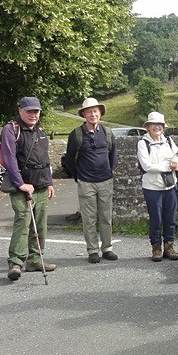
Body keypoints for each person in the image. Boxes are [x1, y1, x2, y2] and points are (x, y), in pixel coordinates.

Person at [0, 96, 56, 281]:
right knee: (23, 220)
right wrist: (21, 184)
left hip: (40, 184)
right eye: (29, 111)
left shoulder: (40, 129)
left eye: (36, 111)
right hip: (21, 186)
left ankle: (34, 260)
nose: (33, 114)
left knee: (40, 224)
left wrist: (49, 182)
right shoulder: (11, 130)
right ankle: (15, 262)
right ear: (20, 110)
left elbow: (44, 158)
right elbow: (10, 159)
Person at [65, 97, 118, 264]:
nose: (93, 114)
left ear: (100, 113)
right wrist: (78, 176)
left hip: (105, 181)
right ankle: (93, 251)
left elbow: (113, 155)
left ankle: (107, 248)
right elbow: (69, 160)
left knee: (106, 217)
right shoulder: (76, 134)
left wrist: (109, 172)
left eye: (95, 111)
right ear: (84, 114)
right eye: (89, 111)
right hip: (86, 182)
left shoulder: (108, 133)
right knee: (89, 218)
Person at [137, 111, 178, 262]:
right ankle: (156, 247)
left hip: (170, 186)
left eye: (159, 125)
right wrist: (169, 166)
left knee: (170, 218)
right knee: (156, 219)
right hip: (152, 188)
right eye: (153, 124)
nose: (156, 127)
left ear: (163, 127)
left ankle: (169, 247)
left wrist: (175, 158)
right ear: (148, 127)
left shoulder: (168, 141)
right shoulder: (143, 143)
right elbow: (147, 166)